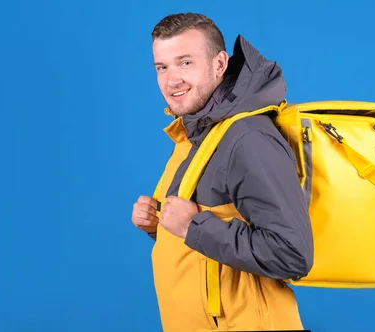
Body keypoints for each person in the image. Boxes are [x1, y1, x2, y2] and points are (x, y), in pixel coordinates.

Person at [131, 12, 314, 332]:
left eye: (185, 62)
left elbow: (293, 254)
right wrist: (158, 223)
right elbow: (206, 228)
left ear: (219, 64)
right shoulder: (196, 131)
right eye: (162, 67)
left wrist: (192, 227)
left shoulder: (248, 138)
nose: (171, 80)